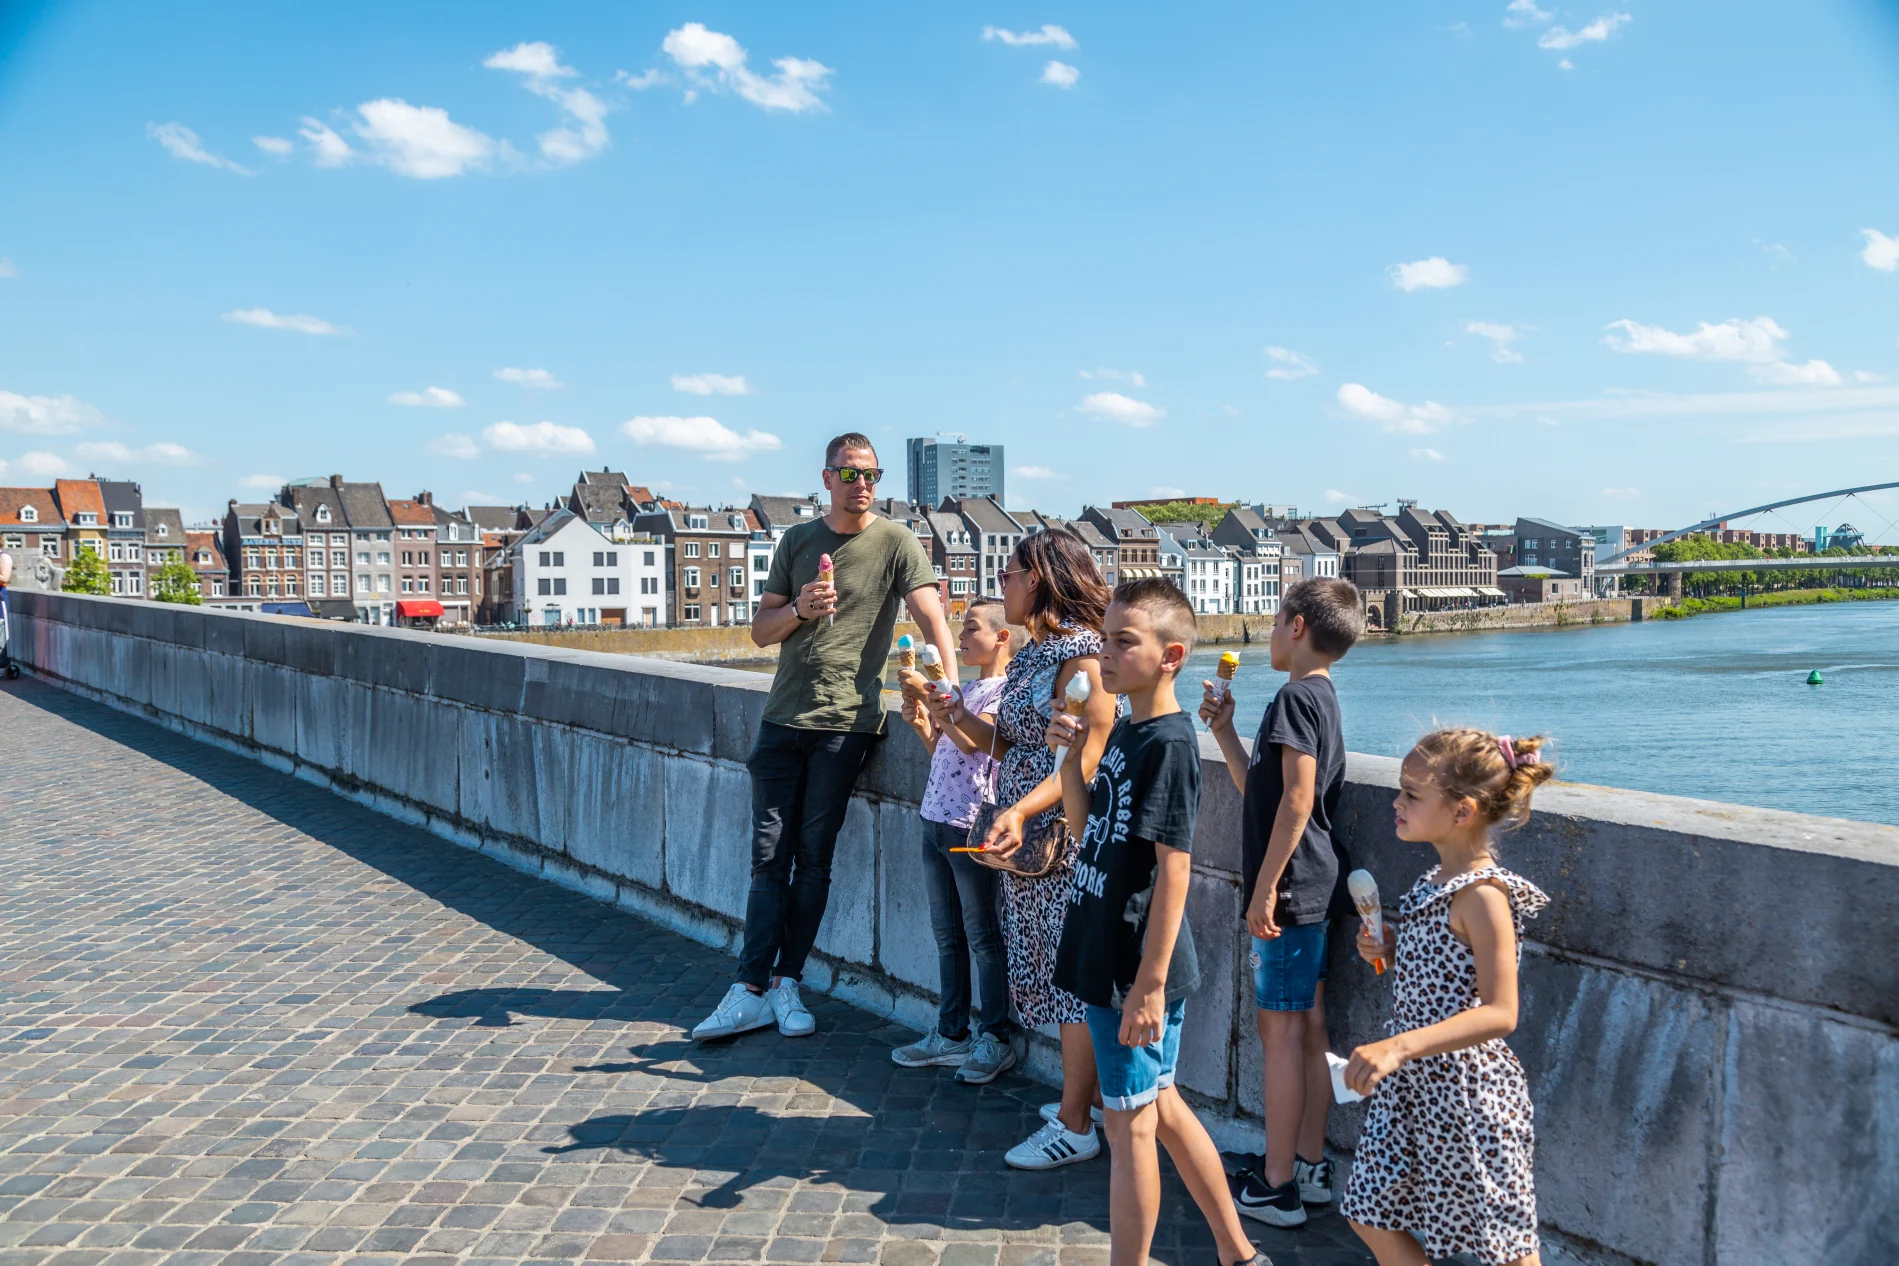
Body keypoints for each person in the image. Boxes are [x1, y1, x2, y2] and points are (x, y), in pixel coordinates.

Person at [692, 434, 960, 1042]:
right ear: (827, 477)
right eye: (849, 473)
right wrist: (801, 611)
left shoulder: (895, 541)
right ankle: (749, 988)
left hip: (846, 726)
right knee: (768, 861)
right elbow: (761, 631)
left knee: (813, 863)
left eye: (871, 474)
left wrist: (954, 689)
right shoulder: (796, 541)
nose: (861, 484)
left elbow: (930, 614)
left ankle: (787, 984)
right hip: (782, 720)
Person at [1047, 578, 1271, 1266]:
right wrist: (1072, 751)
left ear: (1170, 655)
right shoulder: (1125, 729)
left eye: (1123, 642)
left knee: (1129, 1128)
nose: (1104, 654)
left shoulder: (1169, 743)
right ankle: (1238, 1252)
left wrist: (1146, 984)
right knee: (1160, 1106)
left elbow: (1176, 869)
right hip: (1101, 947)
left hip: (1132, 966)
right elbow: (1089, 832)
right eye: (1104, 639)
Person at [926, 528, 1121, 1170]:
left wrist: (1017, 808)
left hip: (1060, 840)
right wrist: (952, 713)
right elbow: (1007, 745)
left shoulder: (1084, 659)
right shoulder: (1038, 651)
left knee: (1071, 984)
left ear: (1036, 579)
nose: (1001, 585)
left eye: (1008, 574)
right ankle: (1079, 1103)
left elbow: (1086, 760)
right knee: (1047, 969)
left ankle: (1075, 1125)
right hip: (1025, 842)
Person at [1340, 728, 1554, 1266]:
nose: (1397, 801)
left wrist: (1396, 1048)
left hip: (1468, 1094)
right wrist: (1388, 947)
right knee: (1368, 1211)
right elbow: (1443, 974)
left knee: (1502, 1247)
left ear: (1463, 812)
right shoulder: (1438, 879)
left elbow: (1501, 1012)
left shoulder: (1483, 896)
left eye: (1412, 793)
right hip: (1417, 1089)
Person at [1200, 577, 1363, 1226]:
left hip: (1291, 889)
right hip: (1316, 882)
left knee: (1280, 1032)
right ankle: (1308, 1167)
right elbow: (1263, 792)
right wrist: (1226, 733)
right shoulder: (1321, 696)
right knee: (1311, 1027)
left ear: (1296, 626)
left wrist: (1263, 888)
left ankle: (1274, 1187)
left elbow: (1295, 802)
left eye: (1273, 621)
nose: (1267, 632)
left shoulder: (1294, 697)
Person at [889, 598, 1018, 1084]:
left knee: (983, 935)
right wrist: (924, 721)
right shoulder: (963, 689)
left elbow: (973, 745)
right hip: (935, 817)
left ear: (1002, 637)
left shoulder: (1005, 695)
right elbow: (944, 752)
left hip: (971, 825)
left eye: (971, 629)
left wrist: (932, 700)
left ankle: (996, 1038)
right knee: (948, 935)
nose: (960, 639)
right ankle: (951, 1032)